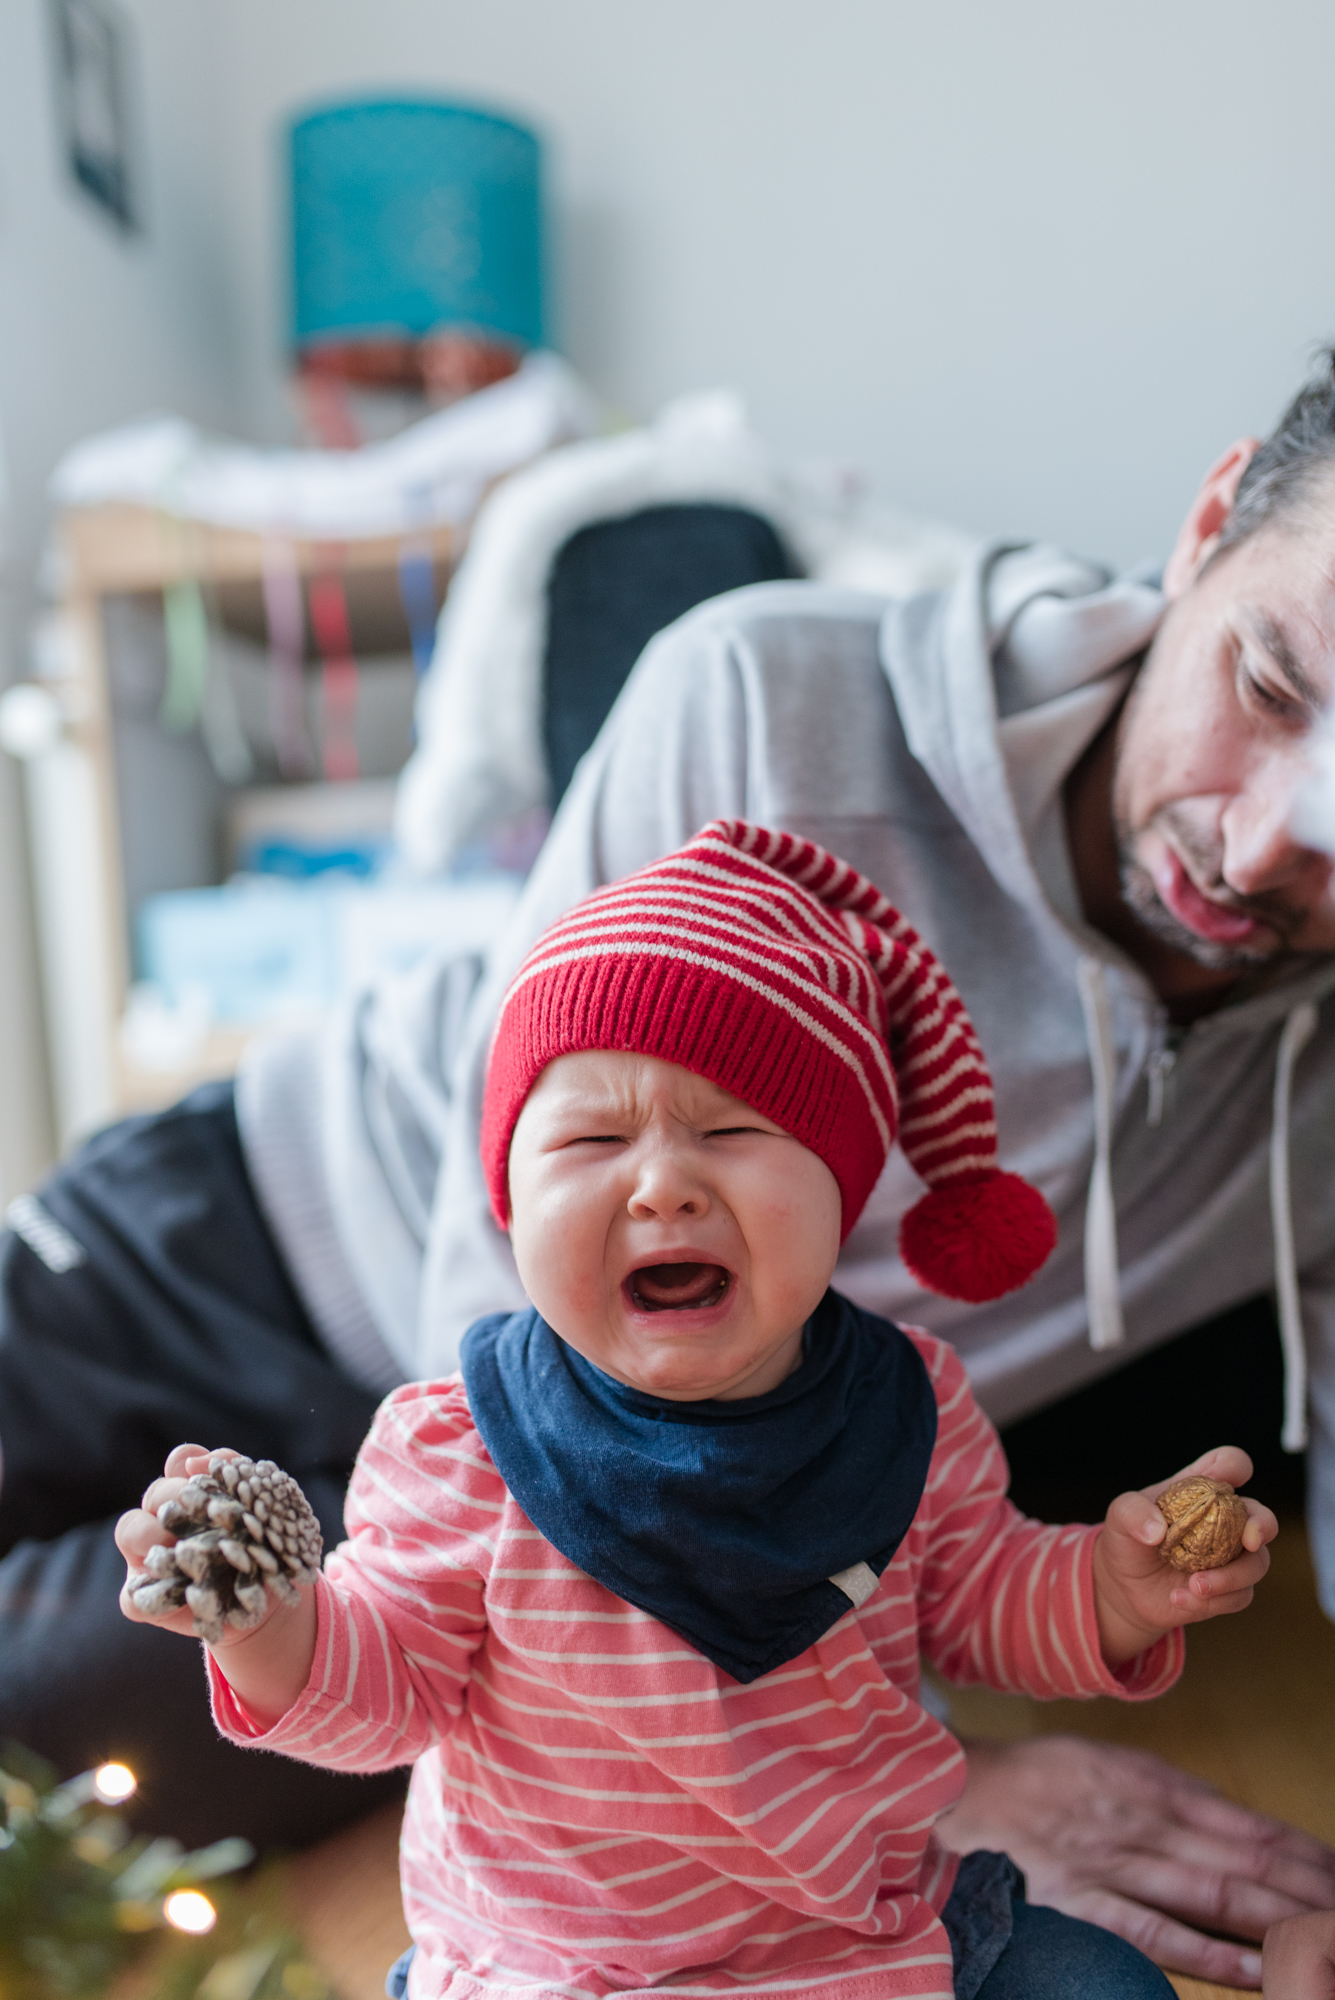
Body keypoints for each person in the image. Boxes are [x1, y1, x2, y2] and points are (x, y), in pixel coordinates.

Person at [8, 357, 1335, 1985]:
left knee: (53, 1754)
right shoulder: (774, 696)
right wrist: (902, 1790)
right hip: (270, 1251)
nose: (1267, 841)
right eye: (1270, 686)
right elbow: (496, 1322)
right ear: (1208, 527)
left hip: (608, 1516)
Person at [116, 821, 1280, 2000]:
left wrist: (1110, 1592)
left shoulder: (906, 1404)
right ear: (510, 1200)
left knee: (1105, 1986)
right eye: (590, 1138)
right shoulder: (462, 1444)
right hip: (568, 1966)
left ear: (843, 1188)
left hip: (869, 1938)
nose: (664, 1179)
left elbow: (980, 1600)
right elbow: (389, 1688)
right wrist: (270, 1625)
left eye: (733, 1131)